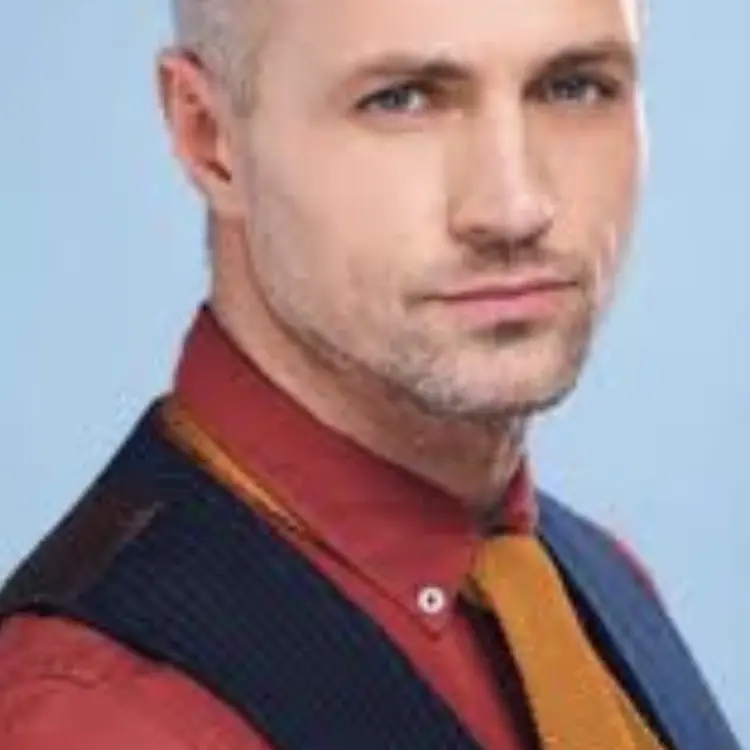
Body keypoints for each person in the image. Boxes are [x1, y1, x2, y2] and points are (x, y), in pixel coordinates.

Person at [0, 0, 741, 747]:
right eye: (401, 99)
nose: (513, 209)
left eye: (574, 87)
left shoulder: (596, 587)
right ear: (210, 136)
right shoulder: (101, 715)